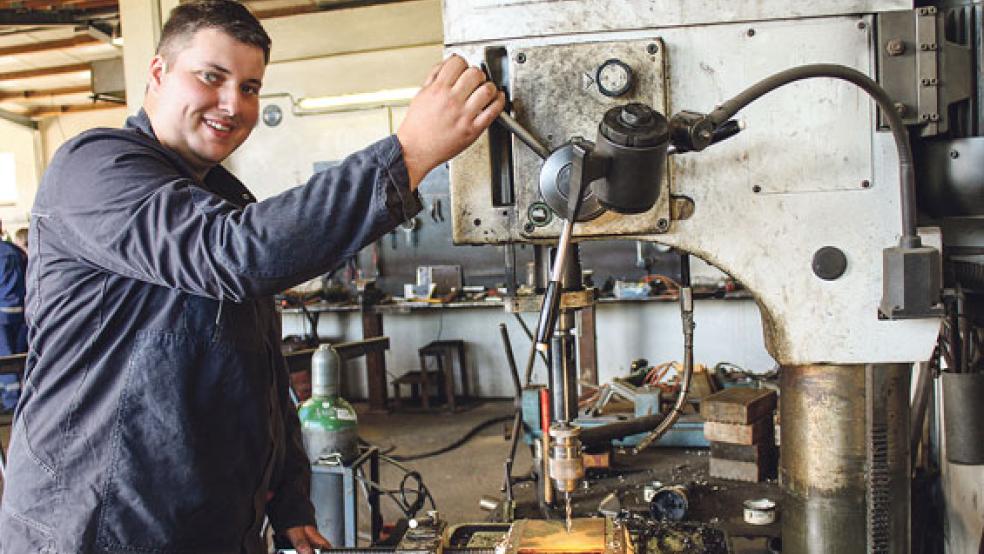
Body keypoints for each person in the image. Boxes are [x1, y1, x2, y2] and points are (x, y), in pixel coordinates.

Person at [0, 1, 503, 553]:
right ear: (158, 73)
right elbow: (232, 254)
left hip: (210, 523)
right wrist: (407, 154)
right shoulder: (94, 169)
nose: (232, 103)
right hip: (99, 526)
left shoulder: (224, 200)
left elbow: (259, 370)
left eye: (250, 86)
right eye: (211, 77)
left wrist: (288, 499)